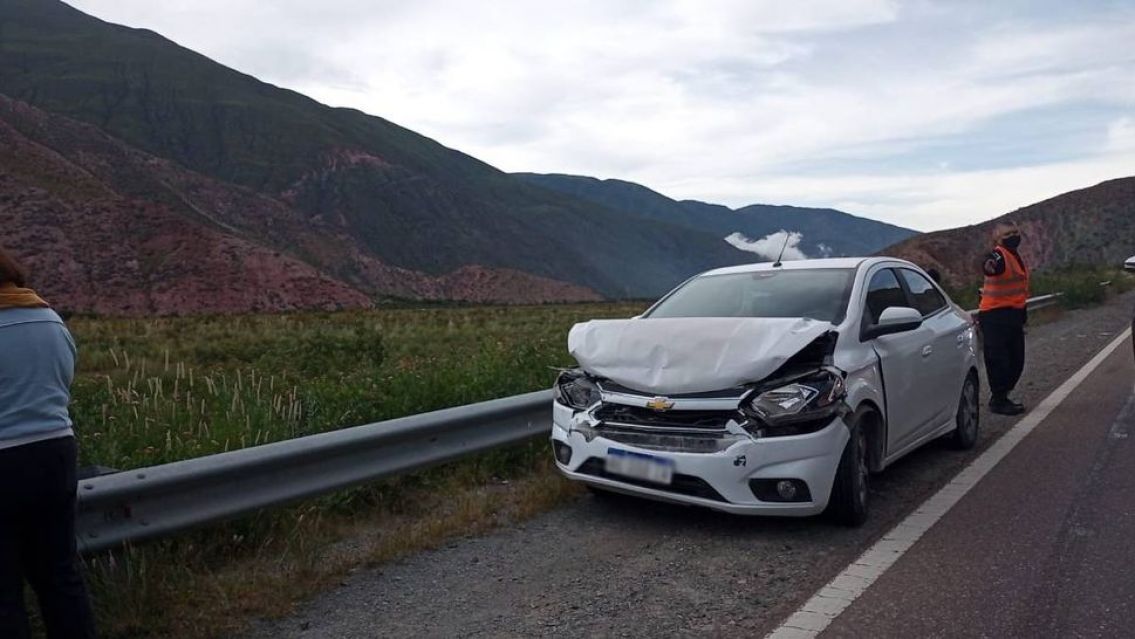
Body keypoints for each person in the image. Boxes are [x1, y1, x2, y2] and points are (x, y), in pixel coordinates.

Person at [0, 245, 97, 639]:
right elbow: (63, 381)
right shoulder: (50, 319)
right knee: (60, 575)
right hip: (56, 452)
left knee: (4, 590)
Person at [978, 223, 1029, 416]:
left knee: (1017, 361)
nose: (1013, 236)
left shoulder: (1015, 256)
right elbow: (990, 266)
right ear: (998, 239)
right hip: (995, 316)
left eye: (1015, 232)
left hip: (1013, 315)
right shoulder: (999, 255)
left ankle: (1001, 396)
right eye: (1008, 234)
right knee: (999, 360)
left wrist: (1023, 314)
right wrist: (989, 264)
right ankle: (998, 400)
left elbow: (1019, 290)